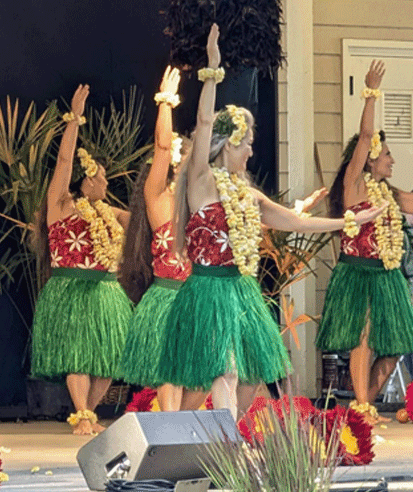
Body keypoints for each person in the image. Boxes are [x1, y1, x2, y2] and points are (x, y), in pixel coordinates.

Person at [155, 25, 385, 421]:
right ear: (229, 145)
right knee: (223, 371)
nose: (251, 151)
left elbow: (298, 222)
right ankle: (226, 447)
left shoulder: (248, 195)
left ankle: (221, 431)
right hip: (209, 290)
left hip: (241, 291)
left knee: (248, 381)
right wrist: (212, 70)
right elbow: (205, 123)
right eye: (246, 144)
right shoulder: (201, 181)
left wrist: (348, 220)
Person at [30, 84, 133, 435]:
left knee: (106, 358)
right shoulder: (61, 205)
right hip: (71, 287)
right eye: (100, 176)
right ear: (86, 181)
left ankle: (88, 414)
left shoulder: (110, 213)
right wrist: (74, 119)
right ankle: (81, 413)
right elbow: (63, 161)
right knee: (77, 354)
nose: (104, 181)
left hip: (105, 290)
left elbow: (145, 221)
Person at [316, 60, 413, 423]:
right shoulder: (355, 185)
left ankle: (362, 406)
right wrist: (371, 94)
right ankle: (361, 406)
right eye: (386, 154)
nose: (392, 159)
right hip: (358, 274)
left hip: (386, 277)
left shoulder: (388, 193)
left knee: (393, 351)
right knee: (365, 337)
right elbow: (365, 136)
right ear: (371, 158)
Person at [118, 66, 190, 412]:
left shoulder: (203, 202)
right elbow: (162, 147)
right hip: (168, 297)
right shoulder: (159, 196)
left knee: (214, 376)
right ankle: (173, 429)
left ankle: (185, 428)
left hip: (200, 296)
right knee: (171, 374)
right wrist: (166, 103)